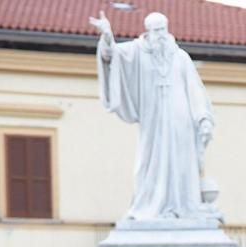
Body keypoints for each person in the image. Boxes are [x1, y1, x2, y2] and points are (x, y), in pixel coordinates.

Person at [90, 11, 214, 220]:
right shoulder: (137, 52)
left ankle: (182, 207)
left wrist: (203, 118)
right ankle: (149, 205)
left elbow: (195, 89)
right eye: (156, 30)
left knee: (182, 164)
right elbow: (110, 56)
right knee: (149, 163)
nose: (161, 35)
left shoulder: (180, 57)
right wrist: (108, 36)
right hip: (153, 120)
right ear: (148, 31)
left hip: (180, 120)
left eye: (163, 29)